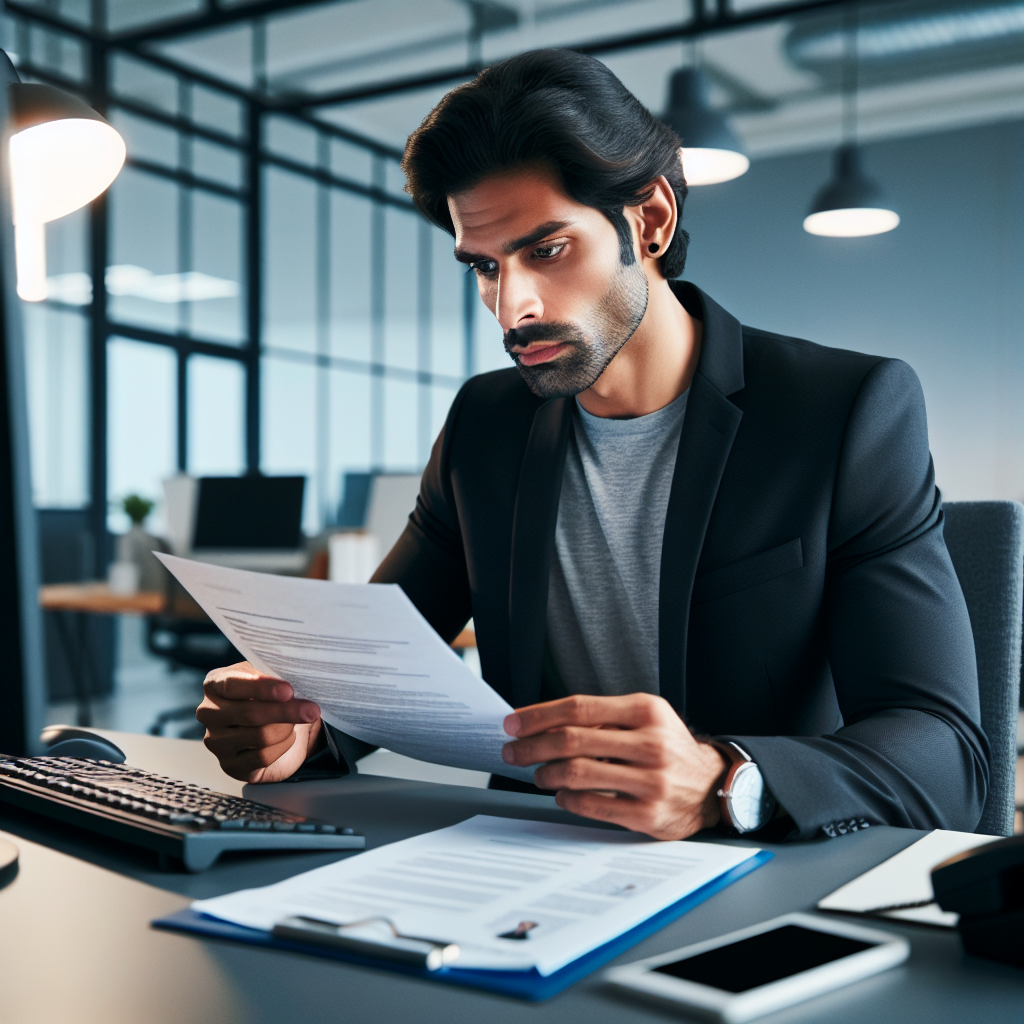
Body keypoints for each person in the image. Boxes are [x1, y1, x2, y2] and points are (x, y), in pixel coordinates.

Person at [197, 49, 988, 842]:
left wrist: (727, 779)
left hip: (760, 875)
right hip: (532, 865)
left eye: (546, 250)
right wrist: (294, 728)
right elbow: (369, 683)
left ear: (649, 220)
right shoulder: (485, 423)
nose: (513, 309)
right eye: (483, 266)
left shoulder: (843, 410)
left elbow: (946, 757)